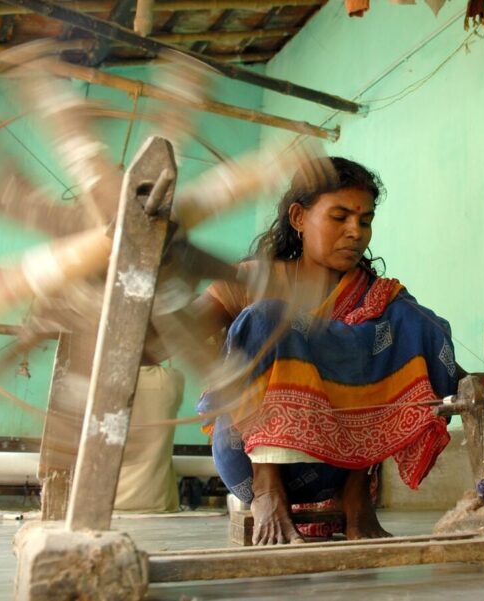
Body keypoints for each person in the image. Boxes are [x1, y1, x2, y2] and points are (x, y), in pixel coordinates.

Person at [195, 157, 457, 545]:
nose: (355, 232)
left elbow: (443, 367)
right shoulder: (250, 280)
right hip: (246, 458)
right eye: (339, 217)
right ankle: (270, 493)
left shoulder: (377, 298)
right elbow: (169, 334)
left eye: (364, 221)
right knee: (271, 316)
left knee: (407, 323)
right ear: (299, 218)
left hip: (335, 469)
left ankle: (355, 501)